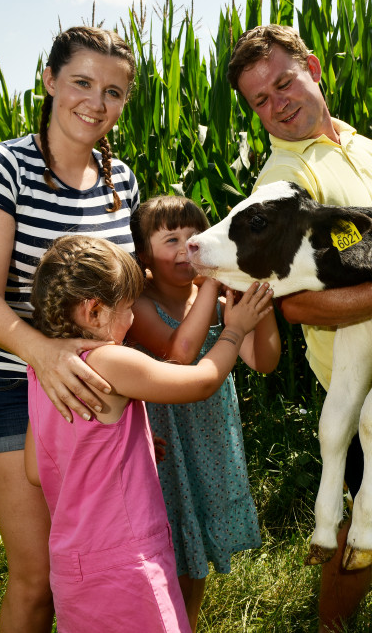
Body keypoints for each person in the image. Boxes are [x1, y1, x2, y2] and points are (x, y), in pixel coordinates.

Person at [227, 25, 372, 632]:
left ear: (311, 67)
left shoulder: (358, 144)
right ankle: (331, 626)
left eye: (284, 82)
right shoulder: (282, 187)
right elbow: (298, 307)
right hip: (370, 383)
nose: (278, 103)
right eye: (260, 100)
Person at [0, 26, 140, 632]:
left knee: (95, 569)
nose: (96, 101)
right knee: (38, 581)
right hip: (16, 386)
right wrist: (46, 355)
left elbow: (119, 300)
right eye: (82, 82)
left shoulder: (123, 182)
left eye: (114, 92)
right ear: (50, 81)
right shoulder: (0, 166)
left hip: (100, 402)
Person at [24, 235, 275, 632]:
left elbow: (39, 469)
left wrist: (126, 450)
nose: (132, 319)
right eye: (126, 309)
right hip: (128, 560)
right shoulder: (107, 358)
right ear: (94, 312)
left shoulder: (44, 372)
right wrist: (236, 330)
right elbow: (201, 382)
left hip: (73, 566)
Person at [127, 196, 281, 630]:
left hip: (211, 438)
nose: (186, 247)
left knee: (196, 557)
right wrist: (212, 284)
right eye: (171, 239)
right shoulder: (140, 304)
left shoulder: (213, 298)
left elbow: (264, 361)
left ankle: (186, 623)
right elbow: (179, 355)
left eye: (195, 237)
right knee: (168, 543)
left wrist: (254, 296)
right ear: (144, 256)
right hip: (166, 439)